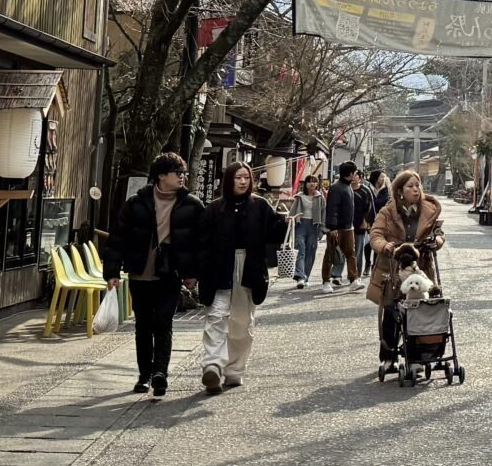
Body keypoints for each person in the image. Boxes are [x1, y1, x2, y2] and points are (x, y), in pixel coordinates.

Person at [107, 153, 200, 399]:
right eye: (177, 172)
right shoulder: (137, 203)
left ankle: (160, 373)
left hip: (170, 272)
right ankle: (144, 375)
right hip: (140, 272)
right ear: (161, 175)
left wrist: (192, 273)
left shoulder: (191, 204)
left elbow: (199, 242)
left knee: (164, 323)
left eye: (184, 173)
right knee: (143, 326)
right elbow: (117, 238)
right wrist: (112, 272)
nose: (182, 177)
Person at [194, 162, 282, 395]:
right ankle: (212, 365)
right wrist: (197, 272)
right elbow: (201, 242)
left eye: (246, 177)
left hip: (248, 267)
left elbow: (273, 235)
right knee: (216, 317)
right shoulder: (214, 209)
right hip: (218, 267)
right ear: (229, 180)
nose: (243, 182)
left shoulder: (261, 206)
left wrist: (286, 223)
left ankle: (234, 371)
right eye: (238, 177)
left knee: (242, 324)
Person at [366, 172, 445, 373]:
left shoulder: (428, 209)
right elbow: (375, 234)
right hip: (393, 268)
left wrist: (437, 242)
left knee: (420, 311)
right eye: (410, 186)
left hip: (421, 268)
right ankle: (388, 357)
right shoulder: (388, 211)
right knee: (392, 312)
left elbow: (439, 234)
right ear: (400, 190)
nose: (416, 189)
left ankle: (418, 356)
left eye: (417, 185)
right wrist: (385, 246)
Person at [322, 160, 365, 288]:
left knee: (350, 253)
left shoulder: (346, 186)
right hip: (337, 228)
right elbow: (332, 208)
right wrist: (332, 227)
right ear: (350, 174)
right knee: (330, 254)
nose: (356, 175)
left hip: (348, 227)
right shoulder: (336, 188)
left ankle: (353, 280)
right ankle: (326, 281)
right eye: (355, 172)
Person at [290, 143, 328, 289]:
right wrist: (290, 220)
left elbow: (324, 213)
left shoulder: (320, 198)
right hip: (301, 224)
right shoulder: (299, 197)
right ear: (305, 184)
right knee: (300, 249)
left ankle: (306, 275)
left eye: (314, 182)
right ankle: (300, 276)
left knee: (311, 252)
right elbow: (292, 212)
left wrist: (322, 229)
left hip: (314, 225)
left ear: (317, 184)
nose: (311, 184)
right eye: (309, 182)